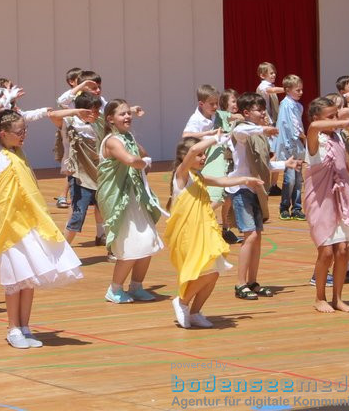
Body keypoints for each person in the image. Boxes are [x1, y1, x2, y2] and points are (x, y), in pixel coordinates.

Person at [0, 87, 86, 349]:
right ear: (3, 134)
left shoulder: (19, 155)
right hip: (7, 226)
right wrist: (3, 101)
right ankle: (12, 328)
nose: (23, 135)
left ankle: (25, 326)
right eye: (19, 132)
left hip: (28, 225)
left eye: (24, 131)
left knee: (29, 277)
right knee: (14, 280)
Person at [166, 136, 261, 328]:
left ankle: (195, 312)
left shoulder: (199, 177)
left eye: (204, 155)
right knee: (205, 273)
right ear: (186, 157)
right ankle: (182, 301)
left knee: (215, 271)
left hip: (205, 232)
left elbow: (221, 180)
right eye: (199, 155)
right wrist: (214, 138)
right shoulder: (182, 175)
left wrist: (245, 179)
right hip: (189, 234)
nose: (203, 158)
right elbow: (193, 151)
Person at [303, 97, 349, 313]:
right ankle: (319, 297)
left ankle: (338, 298)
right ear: (316, 117)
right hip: (320, 198)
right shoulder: (314, 138)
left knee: (342, 249)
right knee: (326, 251)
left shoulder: (338, 138)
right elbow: (315, 127)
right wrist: (342, 122)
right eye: (329, 117)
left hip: (342, 196)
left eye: (335, 115)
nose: (334, 119)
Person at [97, 99, 164, 304]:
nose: (127, 117)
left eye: (128, 113)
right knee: (130, 244)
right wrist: (144, 162)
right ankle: (114, 288)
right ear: (110, 119)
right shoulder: (112, 141)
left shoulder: (128, 137)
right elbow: (129, 160)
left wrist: (144, 160)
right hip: (118, 198)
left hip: (134, 196)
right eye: (122, 114)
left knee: (148, 241)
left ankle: (136, 286)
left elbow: (140, 154)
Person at [228, 93, 282, 300]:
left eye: (263, 109)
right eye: (259, 110)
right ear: (246, 113)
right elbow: (243, 130)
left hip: (256, 189)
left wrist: (287, 164)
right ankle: (240, 283)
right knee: (249, 235)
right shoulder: (241, 131)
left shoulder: (259, 136)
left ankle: (252, 281)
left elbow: (265, 165)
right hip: (241, 189)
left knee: (257, 237)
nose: (263, 113)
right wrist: (264, 129)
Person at [56, 92, 105, 246]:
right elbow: (54, 113)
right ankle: (63, 250)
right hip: (80, 176)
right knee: (78, 213)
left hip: (100, 174)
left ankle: (103, 239)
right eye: (93, 110)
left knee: (105, 209)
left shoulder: (99, 123)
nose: (97, 113)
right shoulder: (70, 122)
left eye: (98, 110)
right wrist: (76, 111)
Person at [276, 75, 307, 220]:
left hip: (297, 146)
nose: (300, 92)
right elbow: (287, 125)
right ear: (288, 90)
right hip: (288, 146)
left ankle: (297, 207)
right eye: (297, 90)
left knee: (298, 179)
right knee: (290, 179)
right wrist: (299, 137)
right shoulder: (286, 105)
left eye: (301, 89)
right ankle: (284, 206)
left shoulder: (298, 106)